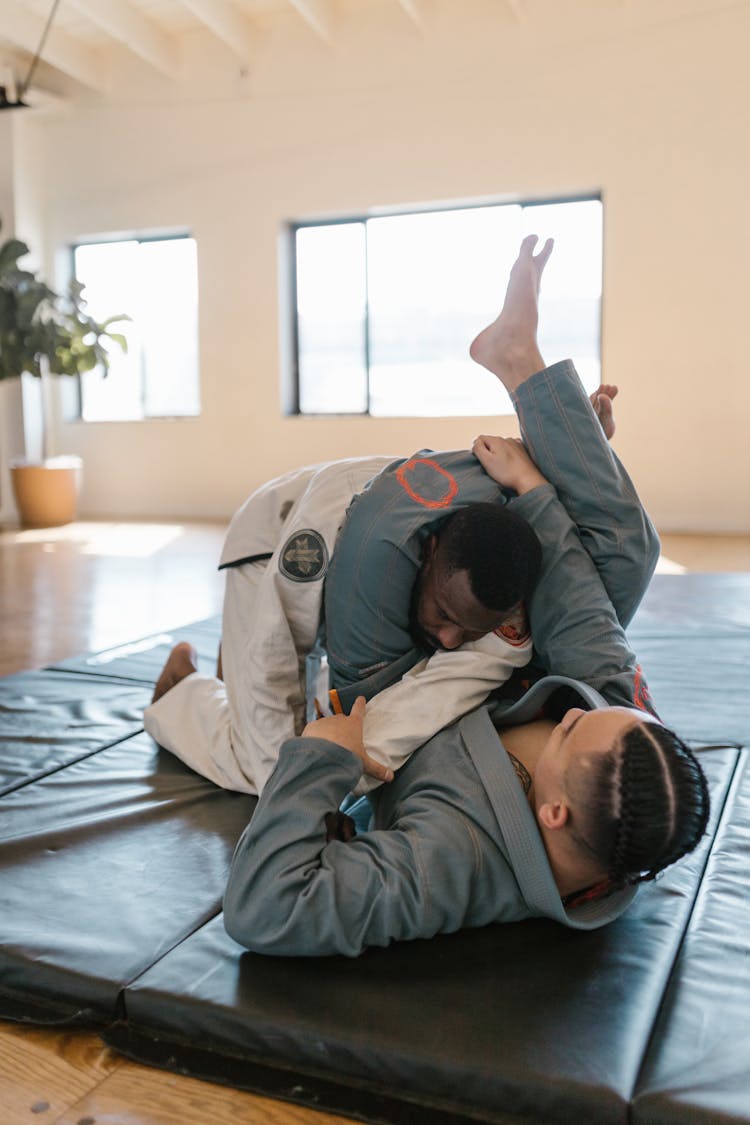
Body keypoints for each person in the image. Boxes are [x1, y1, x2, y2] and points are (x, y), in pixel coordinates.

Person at [220, 238, 710, 957]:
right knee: (630, 551)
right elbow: (583, 618)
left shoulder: (457, 862)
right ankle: (521, 366)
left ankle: (178, 702)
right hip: (496, 650)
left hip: (388, 695)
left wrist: (323, 760)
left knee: (373, 551)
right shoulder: (621, 741)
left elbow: (267, 910)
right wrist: (538, 491)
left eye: (572, 729)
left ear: (550, 811)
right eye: (601, 712)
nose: (580, 709)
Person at [145, 238, 648, 799]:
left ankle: (223, 678)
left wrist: (588, 440)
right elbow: (274, 647)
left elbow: (443, 686)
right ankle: (181, 692)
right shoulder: (329, 541)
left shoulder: (504, 525)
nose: (451, 637)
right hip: (269, 541)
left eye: (471, 627)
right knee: (270, 769)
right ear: (429, 551)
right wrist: (294, 752)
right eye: (443, 613)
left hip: (363, 560)